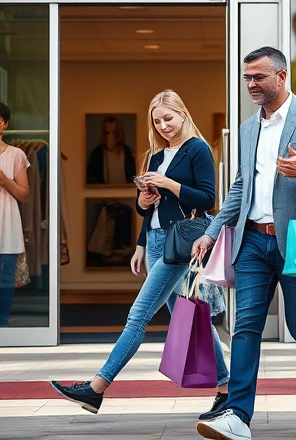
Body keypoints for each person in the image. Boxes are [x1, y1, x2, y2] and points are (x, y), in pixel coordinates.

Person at [191, 47, 296, 440]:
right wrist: (212, 231)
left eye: (258, 77)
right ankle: (238, 415)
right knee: (245, 326)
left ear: (281, 77)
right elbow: (240, 186)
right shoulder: (249, 128)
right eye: (247, 77)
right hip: (251, 242)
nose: (251, 84)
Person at [51, 90, 230, 413]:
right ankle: (226, 387)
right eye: (157, 121)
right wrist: (141, 227)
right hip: (156, 241)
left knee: (138, 315)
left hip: (180, 244)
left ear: (183, 114)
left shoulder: (198, 150)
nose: (163, 126)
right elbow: (147, 207)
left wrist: (169, 184)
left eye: (169, 118)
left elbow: (206, 199)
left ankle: (97, 387)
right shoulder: (156, 155)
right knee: (192, 321)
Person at [0, 102, 31, 326]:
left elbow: (24, 194)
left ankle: (2, 323)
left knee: (5, 279)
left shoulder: (15, 154)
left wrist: (4, 179)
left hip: (6, 225)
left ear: (3, 123)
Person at [86, 115, 135, 185]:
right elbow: (91, 178)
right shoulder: (97, 153)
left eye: (114, 133)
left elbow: (132, 177)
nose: (111, 136)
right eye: (107, 133)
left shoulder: (126, 151)